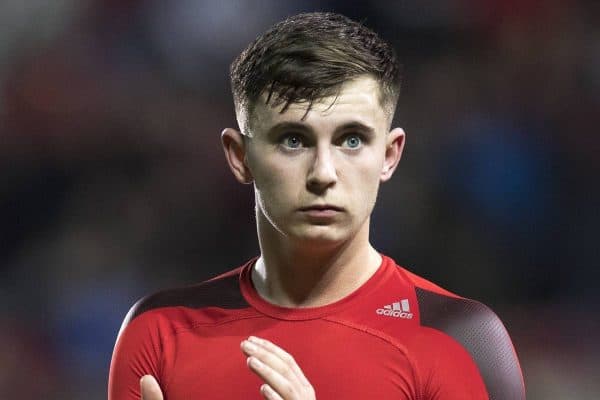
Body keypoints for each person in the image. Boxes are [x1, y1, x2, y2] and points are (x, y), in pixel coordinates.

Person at [108, 12, 525, 400]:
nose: (323, 173)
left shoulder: (462, 339)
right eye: (293, 140)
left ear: (389, 155)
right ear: (240, 157)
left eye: (352, 140)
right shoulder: (159, 333)